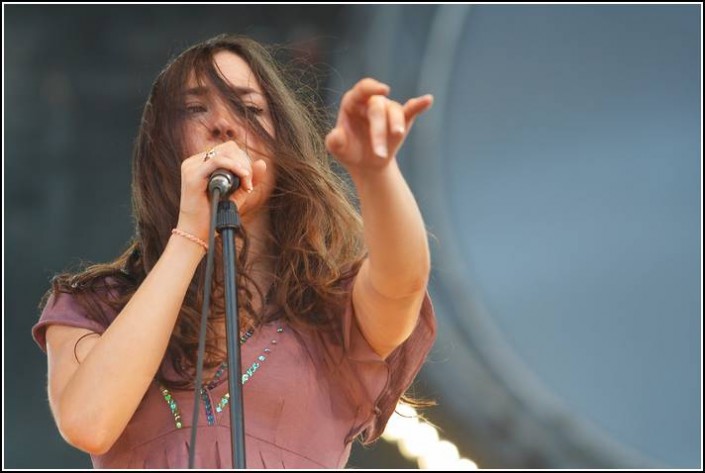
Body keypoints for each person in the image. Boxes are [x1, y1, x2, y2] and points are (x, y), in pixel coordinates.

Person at [32, 33, 436, 469]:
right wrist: (191, 236)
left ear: (281, 146)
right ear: (162, 145)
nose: (223, 124)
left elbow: (402, 284)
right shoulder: (94, 306)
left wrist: (376, 173)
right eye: (195, 108)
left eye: (248, 108)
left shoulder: (329, 311)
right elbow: (88, 423)